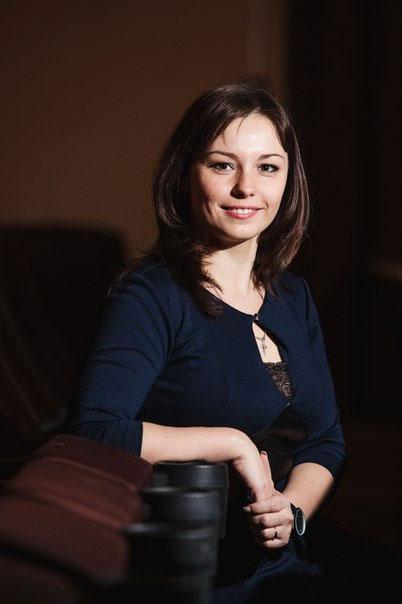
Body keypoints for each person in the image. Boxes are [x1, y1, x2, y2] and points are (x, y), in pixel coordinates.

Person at [68, 82, 347, 601]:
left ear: (289, 179)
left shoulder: (294, 296)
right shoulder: (149, 295)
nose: (246, 188)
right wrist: (231, 443)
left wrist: (291, 511)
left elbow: (324, 439)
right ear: (185, 174)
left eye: (268, 167)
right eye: (222, 165)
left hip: (288, 562)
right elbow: (94, 430)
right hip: (197, 578)